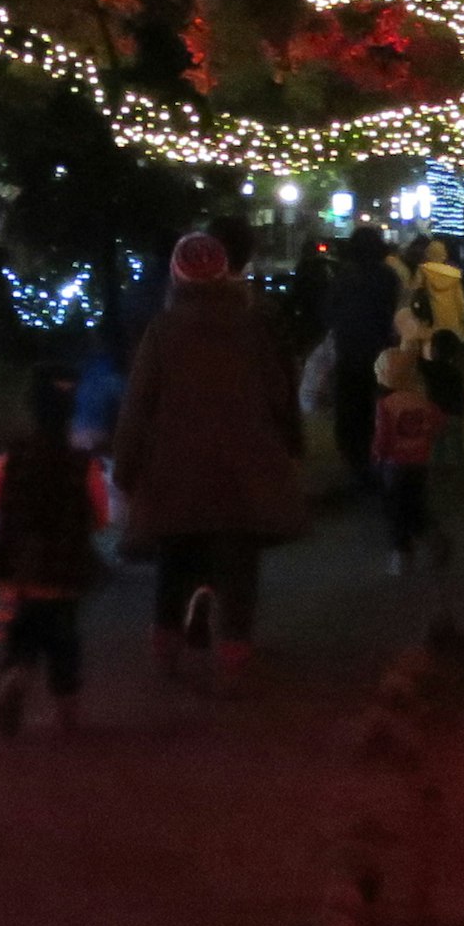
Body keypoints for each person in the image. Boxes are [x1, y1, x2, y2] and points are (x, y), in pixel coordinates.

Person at [112, 228, 309, 688]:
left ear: (177, 274)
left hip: (176, 474)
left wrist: (125, 467)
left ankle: (166, 655)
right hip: (245, 473)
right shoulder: (253, 327)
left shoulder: (163, 330)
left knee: (174, 563)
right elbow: (281, 395)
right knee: (239, 571)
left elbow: (139, 404)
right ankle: (233, 663)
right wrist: (292, 450)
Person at [0, 365, 111, 736]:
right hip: (63, 572)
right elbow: (100, 517)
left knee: (19, 637)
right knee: (64, 643)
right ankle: (66, 710)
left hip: (16, 570)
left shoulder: (8, 460)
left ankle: (17, 675)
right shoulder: (83, 466)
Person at [324, 223, 403, 493]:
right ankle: (379, 462)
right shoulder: (387, 276)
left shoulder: (343, 277)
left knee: (350, 410)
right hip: (379, 352)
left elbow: (330, 311)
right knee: (377, 409)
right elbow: (390, 311)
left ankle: (357, 465)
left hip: (349, 351)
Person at [372, 342, 449, 574]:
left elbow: (382, 436)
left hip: (394, 466)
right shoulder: (422, 401)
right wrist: (426, 439)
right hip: (420, 463)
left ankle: (402, 556)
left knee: (395, 509)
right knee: (415, 504)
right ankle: (433, 539)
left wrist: (377, 457)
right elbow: (439, 423)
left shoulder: (385, 405)